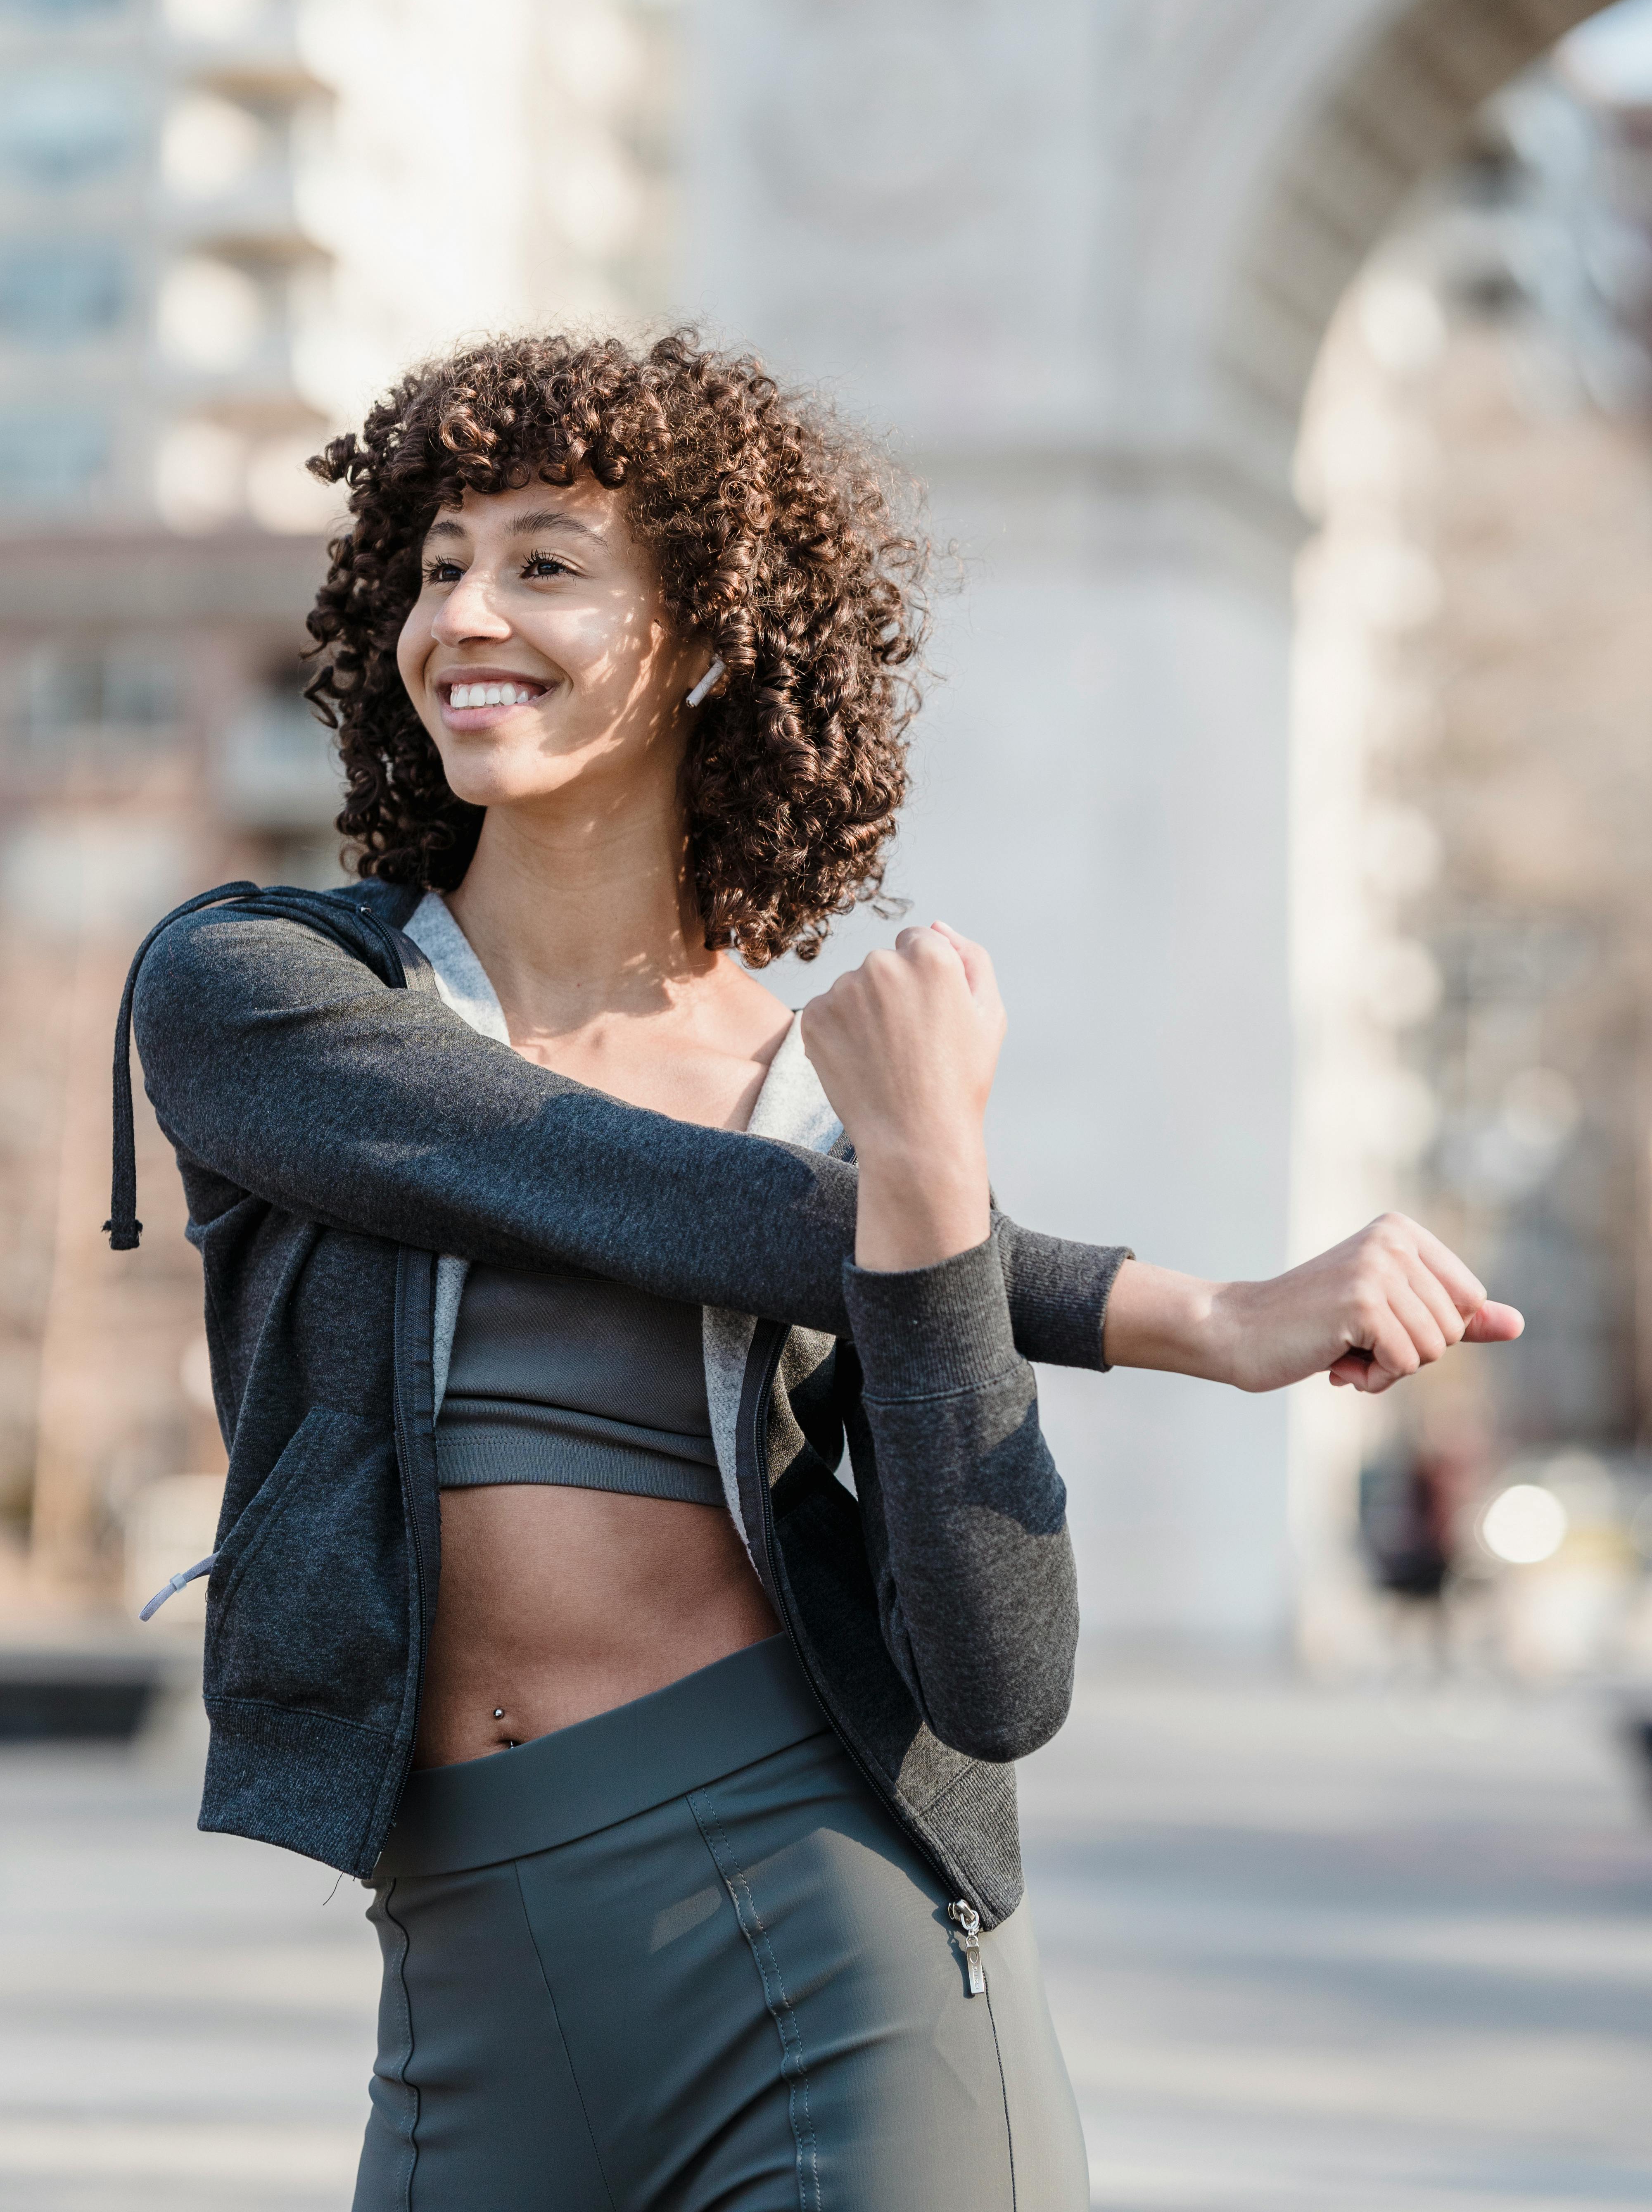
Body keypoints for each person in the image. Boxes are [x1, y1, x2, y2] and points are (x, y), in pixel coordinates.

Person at [120, 332, 1522, 2211]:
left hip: (834, 1945)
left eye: (547, 562)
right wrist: (1186, 1313)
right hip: (463, 1978)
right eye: (441, 558)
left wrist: (932, 1198)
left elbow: (1002, 1681)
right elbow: (602, 1187)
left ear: (704, 639)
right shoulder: (263, 992)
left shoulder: (839, 1104)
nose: (468, 610)